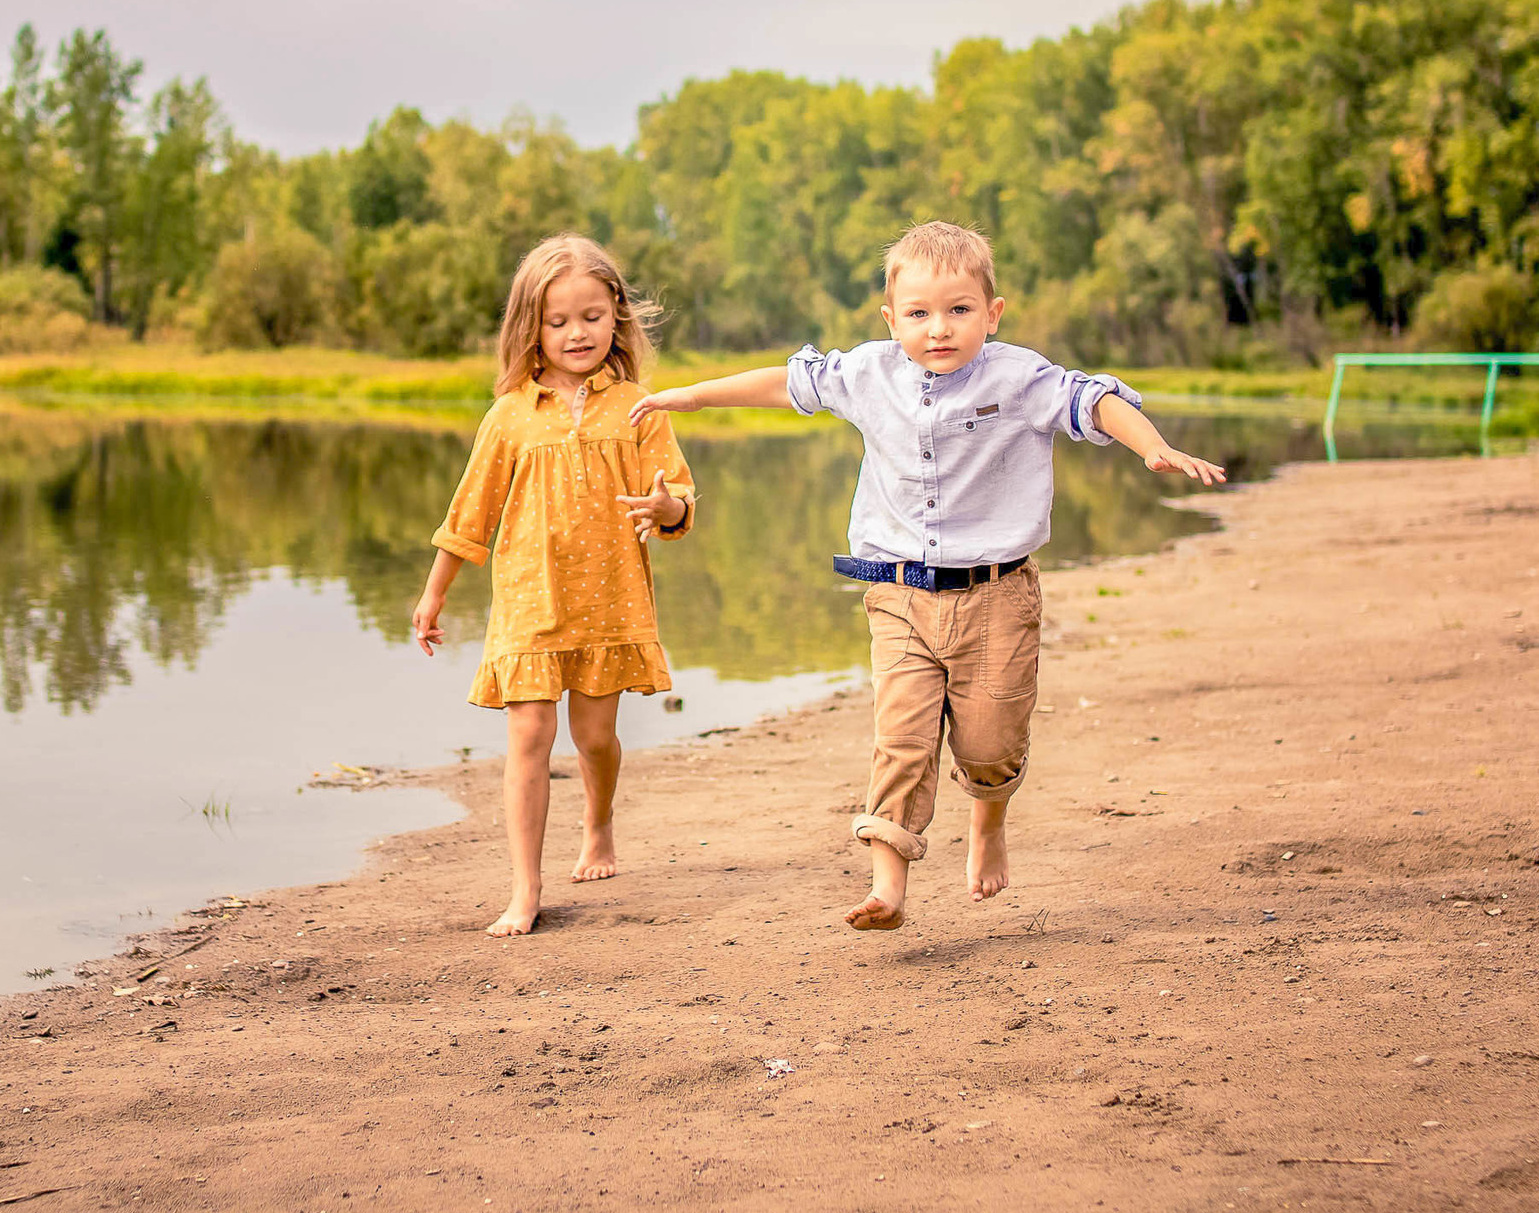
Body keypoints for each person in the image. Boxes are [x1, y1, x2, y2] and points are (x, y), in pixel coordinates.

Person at [630, 220, 1222, 930]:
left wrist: (1152, 446)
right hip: (900, 594)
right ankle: (888, 883)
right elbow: (789, 381)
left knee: (990, 742)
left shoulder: (1020, 377)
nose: (937, 328)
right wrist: (688, 397)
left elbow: (1092, 400)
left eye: (958, 310)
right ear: (891, 318)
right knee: (901, 736)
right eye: (918, 313)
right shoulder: (867, 372)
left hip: (999, 596)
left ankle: (988, 820)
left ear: (992, 313)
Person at [413, 234, 697, 938]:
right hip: (529, 605)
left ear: (617, 318)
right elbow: (467, 513)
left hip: (608, 601)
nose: (578, 332)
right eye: (560, 320)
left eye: (593, 316)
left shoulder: (638, 405)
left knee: (595, 736)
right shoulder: (510, 413)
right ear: (530, 329)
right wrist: (434, 593)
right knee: (530, 735)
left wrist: (668, 508)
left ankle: (598, 822)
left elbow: (680, 496)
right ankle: (526, 887)